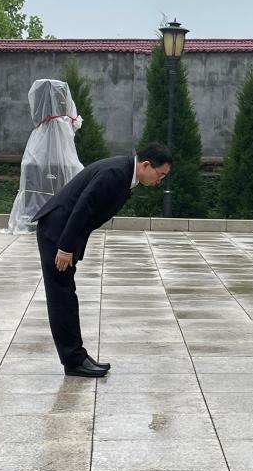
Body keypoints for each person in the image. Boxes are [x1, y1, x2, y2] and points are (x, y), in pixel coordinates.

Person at [33, 142, 172, 377]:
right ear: (146, 165)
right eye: (160, 175)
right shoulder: (116, 173)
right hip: (57, 232)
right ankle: (73, 361)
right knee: (61, 298)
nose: (159, 181)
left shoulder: (124, 173)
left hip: (63, 231)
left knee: (67, 295)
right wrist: (65, 247)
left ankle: (77, 356)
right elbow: (82, 208)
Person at [5, 79, 84, 234]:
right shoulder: (60, 124)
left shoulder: (59, 125)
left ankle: (35, 216)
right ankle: (42, 216)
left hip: (48, 142)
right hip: (48, 142)